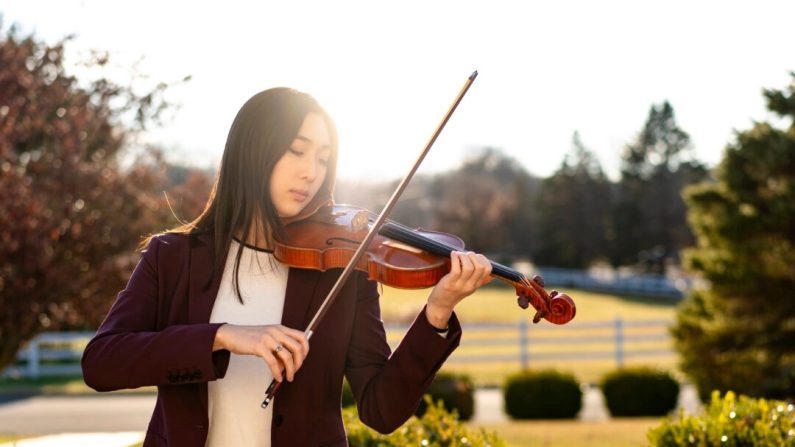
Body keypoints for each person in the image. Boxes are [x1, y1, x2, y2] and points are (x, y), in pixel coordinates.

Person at [81, 87, 492, 447]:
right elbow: (102, 363)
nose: (310, 172)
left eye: (323, 158)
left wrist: (436, 314)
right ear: (253, 151)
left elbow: (380, 411)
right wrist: (223, 337)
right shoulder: (171, 257)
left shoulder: (343, 269)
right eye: (296, 150)